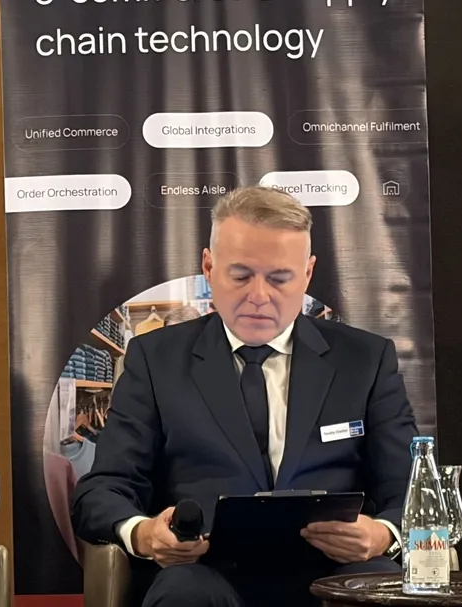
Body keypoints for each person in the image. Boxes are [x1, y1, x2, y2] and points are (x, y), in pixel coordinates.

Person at [71, 186, 418, 606]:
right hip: (204, 574)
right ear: (209, 266)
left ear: (308, 273)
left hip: (336, 571)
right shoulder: (155, 360)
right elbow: (103, 489)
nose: (258, 296)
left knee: (380, 592)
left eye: (279, 279)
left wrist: (382, 534)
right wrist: (144, 534)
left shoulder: (365, 360)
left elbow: (412, 490)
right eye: (240, 276)